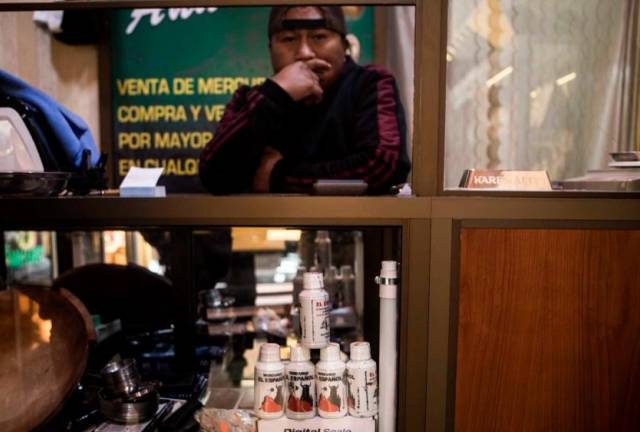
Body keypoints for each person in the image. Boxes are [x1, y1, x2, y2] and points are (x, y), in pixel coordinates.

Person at [199, 6, 411, 195]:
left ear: (344, 45)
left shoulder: (369, 84)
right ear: (270, 49)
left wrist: (277, 176)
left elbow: (382, 167)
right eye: (288, 39)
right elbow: (213, 176)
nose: (304, 53)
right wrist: (276, 94)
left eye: (319, 37)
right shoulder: (252, 99)